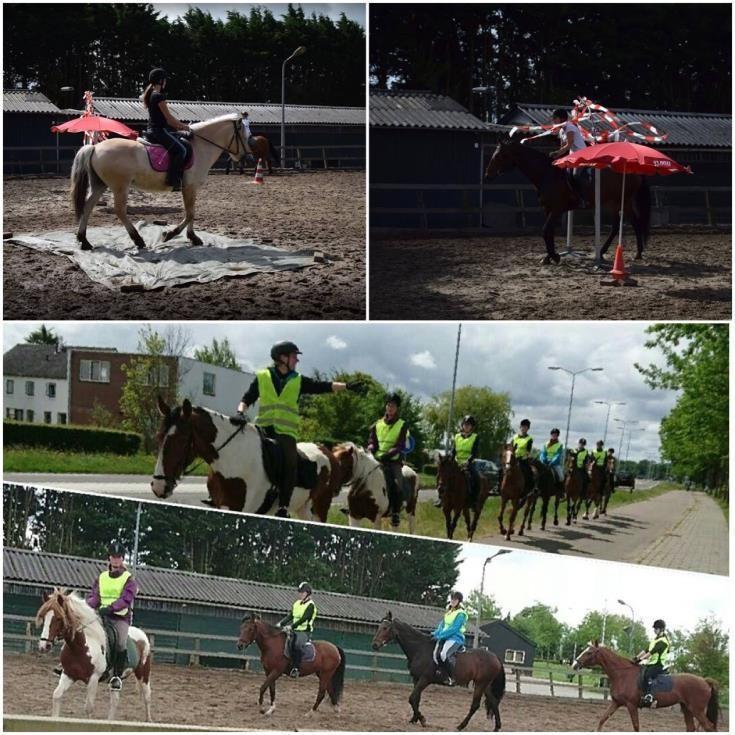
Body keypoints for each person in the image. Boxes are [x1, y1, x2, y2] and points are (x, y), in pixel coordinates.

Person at [231, 341, 366, 519]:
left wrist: (346, 387)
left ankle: (283, 506)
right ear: (283, 358)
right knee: (238, 451)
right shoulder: (262, 376)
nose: (297, 361)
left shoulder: (298, 380)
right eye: (295, 357)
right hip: (262, 428)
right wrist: (240, 413)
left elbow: (322, 386)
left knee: (290, 463)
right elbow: (247, 398)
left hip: (286, 433)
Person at [85, 542, 138, 691]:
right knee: (82, 630)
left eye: (118, 557)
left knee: (120, 643)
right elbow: (95, 596)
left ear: (122, 559)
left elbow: (126, 599)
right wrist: (86, 606)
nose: (115, 560)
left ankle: (116, 676)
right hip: (101, 614)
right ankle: (68, 664)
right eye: (113, 557)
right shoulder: (101, 577)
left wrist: (110, 608)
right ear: (109, 558)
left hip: (119, 617)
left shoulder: (129, 579)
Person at [142, 68, 191, 191]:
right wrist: (185, 126)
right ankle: (172, 179)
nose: (166, 82)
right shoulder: (158, 96)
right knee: (182, 150)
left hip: (156, 130)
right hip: (158, 131)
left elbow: (168, 119)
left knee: (182, 142)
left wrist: (180, 126)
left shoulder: (152, 94)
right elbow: (169, 120)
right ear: (161, 81)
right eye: (165, 80)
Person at [367, 393, 409, 527]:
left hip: (393, 461)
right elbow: (372, 441)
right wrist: (371, 448)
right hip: (377, 459)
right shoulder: (377, 424)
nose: (390, 408)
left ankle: (395, 513)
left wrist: (387, 455)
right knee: (360, 477)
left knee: (397, 485)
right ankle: (354, 507)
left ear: (397, 408)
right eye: (388, 405)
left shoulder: (402, 425)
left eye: (393, 406)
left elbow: (400, 445)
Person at [549, 107, 588, 207]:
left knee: (576, 175)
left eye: (555, 118)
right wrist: (555, 157)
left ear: (562, 119)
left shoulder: (570, 127)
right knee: (563, 174)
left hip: (581, 156)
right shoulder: (561, 131)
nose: (553, 120)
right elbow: (562, 148)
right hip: (573, 156)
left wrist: (556, 153)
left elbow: (568, 145)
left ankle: (583, 198)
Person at [278, 582, 317, 678]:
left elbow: (304, 618)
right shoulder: (296, 604)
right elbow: (290, 616)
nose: (300, 594)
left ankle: (296, 668)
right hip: (294, 630)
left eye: (302, 593)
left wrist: (292, 626)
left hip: (304, 631)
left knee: (297, 645)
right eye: (300, 592)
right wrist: (280, 623)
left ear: (307, 594)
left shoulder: (311, 605)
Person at [431, 591, 468, 686]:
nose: (452, 601)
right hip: (444, 636)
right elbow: (442, 625)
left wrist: (440, 636)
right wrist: (435, 633)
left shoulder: (461, 614)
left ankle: (452, 677)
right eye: (451, 599)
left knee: (443, 654)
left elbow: (454, 628)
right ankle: (441, 672)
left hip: (455, 637)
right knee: (435, 654)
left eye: (455, 599)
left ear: (459, 601)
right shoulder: (448, 612)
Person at [634, 619, 670, 707]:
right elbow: (646, 650)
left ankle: (650, 696)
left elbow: (650, 653)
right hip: (651, 663)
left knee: (647, 675)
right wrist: (636, 657)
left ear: (661, 629)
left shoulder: (663, 642)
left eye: (656, 629)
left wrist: (640, 660)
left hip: (658, 664)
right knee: (640, 672)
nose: (654, 630)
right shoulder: (655, 640)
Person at [511, 419, 536, 497]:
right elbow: (510, 447)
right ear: (520, 427)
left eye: (525, 427)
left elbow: (528, 451)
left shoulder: (529, 439)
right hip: (513, 459)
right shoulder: (515, 437)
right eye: (522, 427)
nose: (523, 428)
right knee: (502, 470)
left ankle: (529, 489)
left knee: (528, 472)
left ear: (528, 429)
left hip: (523, 460)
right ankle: (499, 487)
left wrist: (523, 457)